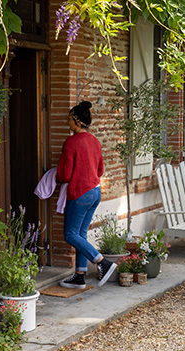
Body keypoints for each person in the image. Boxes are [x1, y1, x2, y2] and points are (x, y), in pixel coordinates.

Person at [57, 101, 116, 289]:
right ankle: (79, 276)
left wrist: (53, 176)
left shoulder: (71, 142)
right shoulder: (95, 141)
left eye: (69, 120)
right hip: (95, 192)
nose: (68, 123)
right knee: (81, 235)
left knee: (70, 234)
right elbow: (100, 170)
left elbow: (64, 175)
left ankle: (102, 263)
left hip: (80, 193)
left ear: (76, 121)